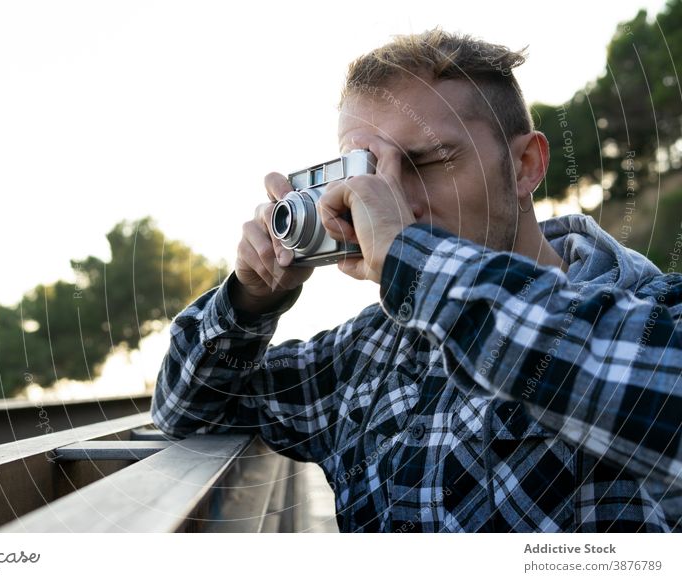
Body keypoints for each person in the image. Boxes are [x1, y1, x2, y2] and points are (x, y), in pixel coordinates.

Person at [150, 28, 682, 532]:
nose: (396, 199)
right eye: (366, 175)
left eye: (429, 161)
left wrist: (412, 261)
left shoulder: (652, 311)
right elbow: (186, 411)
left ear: (525, 165)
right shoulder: (367, 351)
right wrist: (251, 299)